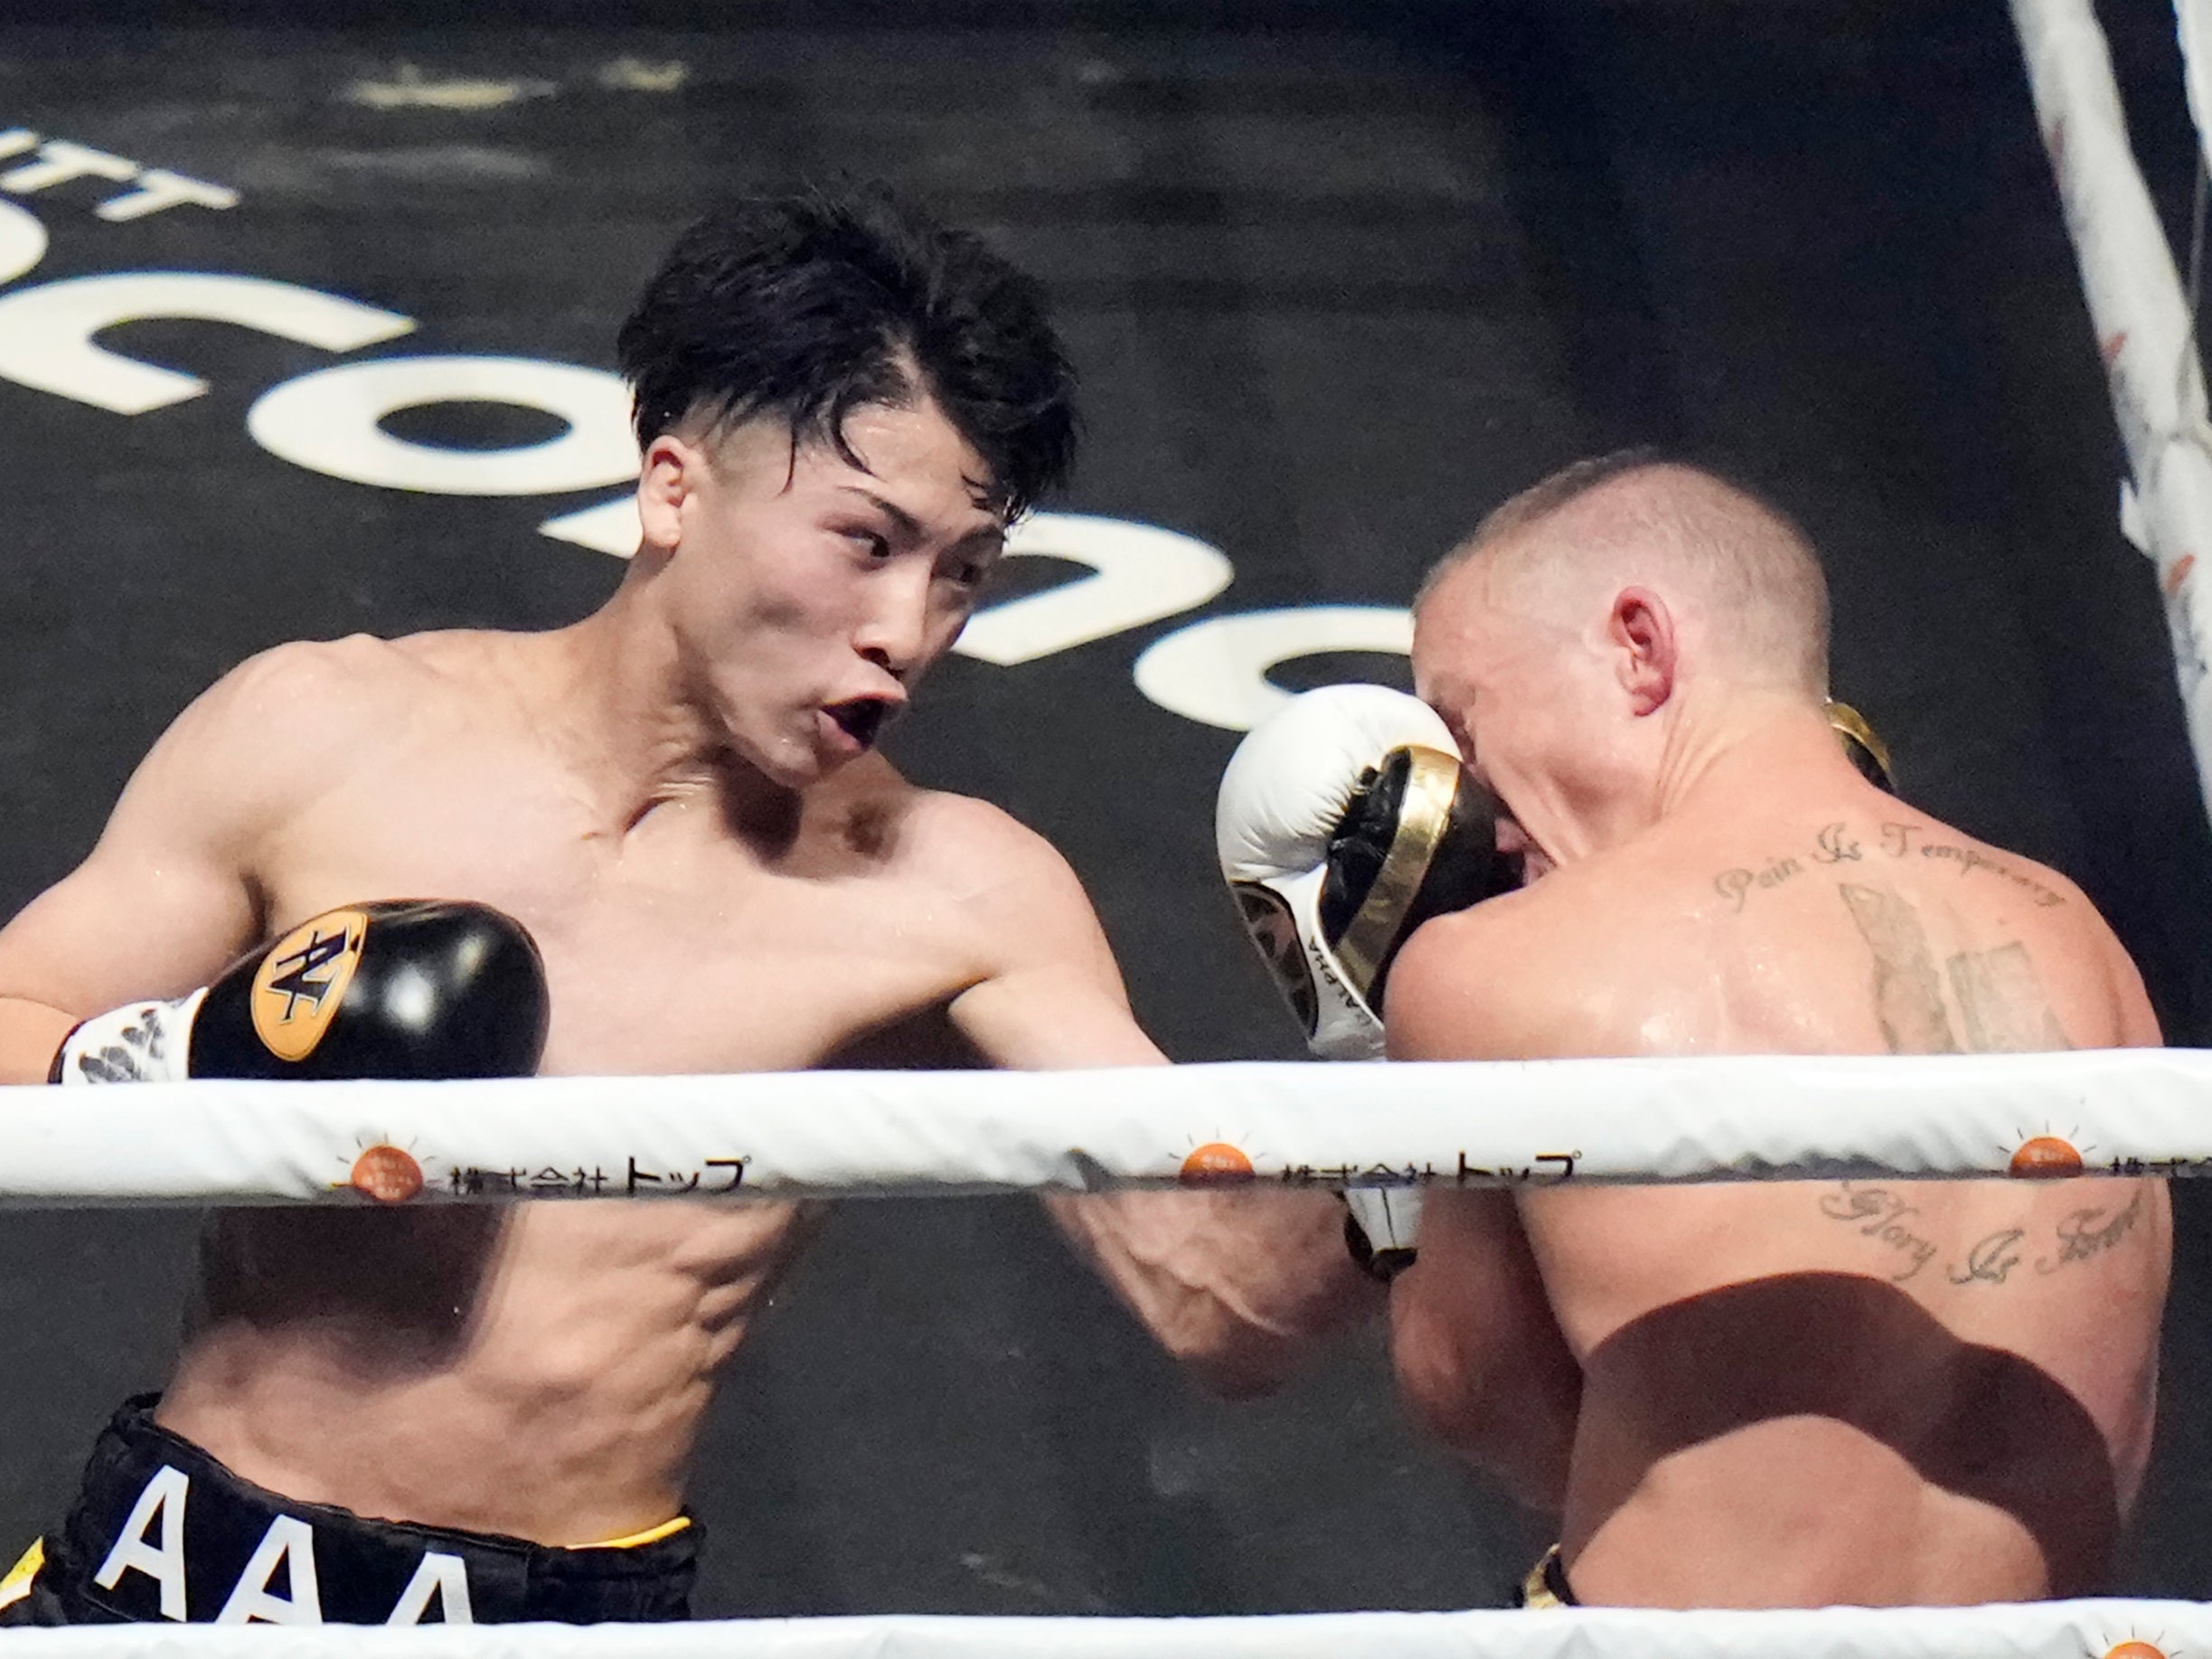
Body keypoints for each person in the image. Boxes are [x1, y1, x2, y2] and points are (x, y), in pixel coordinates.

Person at [0, 187, 1368, 1626]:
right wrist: (190, 1059)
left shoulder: (954, 892)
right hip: (151, 1582)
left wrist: (1398, 1056)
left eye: (961, 574)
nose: (904, 632)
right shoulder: (322, 731)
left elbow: (1217, 1301)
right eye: (864, 539)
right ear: (672, 486)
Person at [1380, 454, 2167, 1607]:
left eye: (1465, 724)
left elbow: (1483, 1398)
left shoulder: (1507, 971)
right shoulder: (2076, 935)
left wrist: (1367, 1053)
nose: (1479, 816)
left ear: (1637, 648)